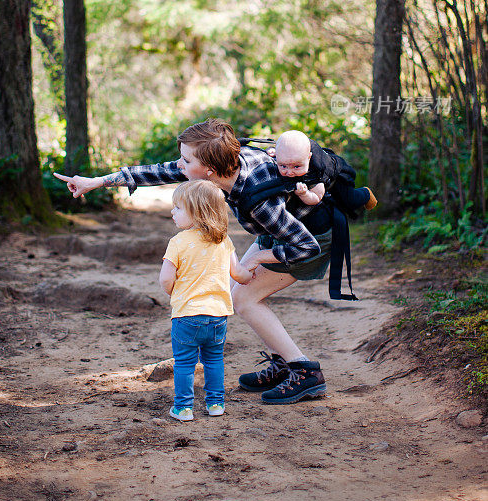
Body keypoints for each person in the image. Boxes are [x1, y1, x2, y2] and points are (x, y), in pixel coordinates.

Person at [54, 119, 335, 405]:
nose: (179, 164)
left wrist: (258, 258)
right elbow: (164, 170)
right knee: (237, 293)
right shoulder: (229, 163)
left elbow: (305, 247)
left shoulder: (258, 201)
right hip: (279, 231)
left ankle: (305, 372)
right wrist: (98, 182)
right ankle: (284, 362)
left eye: (186, 160)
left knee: (245, 299)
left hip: (309, 238)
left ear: (209, 170)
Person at [159, 179, 253, 422]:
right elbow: (239, 274)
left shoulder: (177, 243)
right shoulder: (223, 241)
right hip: (217, 316)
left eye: (178, 208)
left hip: (186, 315)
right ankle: (215, 403)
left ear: (197, 212)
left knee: (184, 363)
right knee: (213, 360)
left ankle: (183, 407)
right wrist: (252, 273)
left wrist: (174, 293)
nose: (173, 212)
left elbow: (165, 280)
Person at [274, 130, 377, 214]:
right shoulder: (287, 156)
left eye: (296, 167)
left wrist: (304, 194)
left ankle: (366, 193)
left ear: (308, 158)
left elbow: (317, 198)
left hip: (339, 175)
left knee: (349, 201)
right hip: (325, 166)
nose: (289, 172)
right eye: (283, 166)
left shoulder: (316, 172)